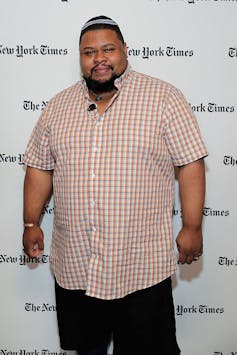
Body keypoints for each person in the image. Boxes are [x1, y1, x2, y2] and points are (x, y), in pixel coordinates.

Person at [22, 15, 207, 355]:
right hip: (77, 265)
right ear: (80, 58)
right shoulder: (57, 107)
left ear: (125, 51)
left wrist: (192, 226)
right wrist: (31, 221)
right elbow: (38, 167)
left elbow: (191, 163)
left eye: (108, 49)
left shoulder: (164, 98)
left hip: (141, 266)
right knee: (88, 349)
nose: (99, 58)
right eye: (89, 52)